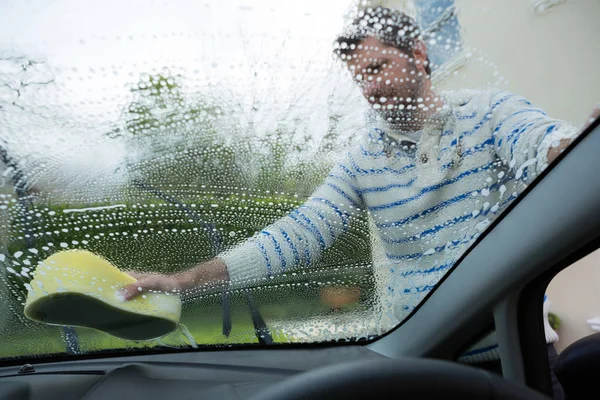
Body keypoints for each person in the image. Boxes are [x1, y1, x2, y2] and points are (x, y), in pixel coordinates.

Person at [122, 7, 583, 333]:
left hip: (515, 351)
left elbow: (544, 146)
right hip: (420, 353)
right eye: (360, 77)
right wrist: (181, 282)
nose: (371, 87)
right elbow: (296, 235)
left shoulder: (491, 113)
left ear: (419, 54)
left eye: (379, 66)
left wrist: (584, 145)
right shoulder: (363, 162)